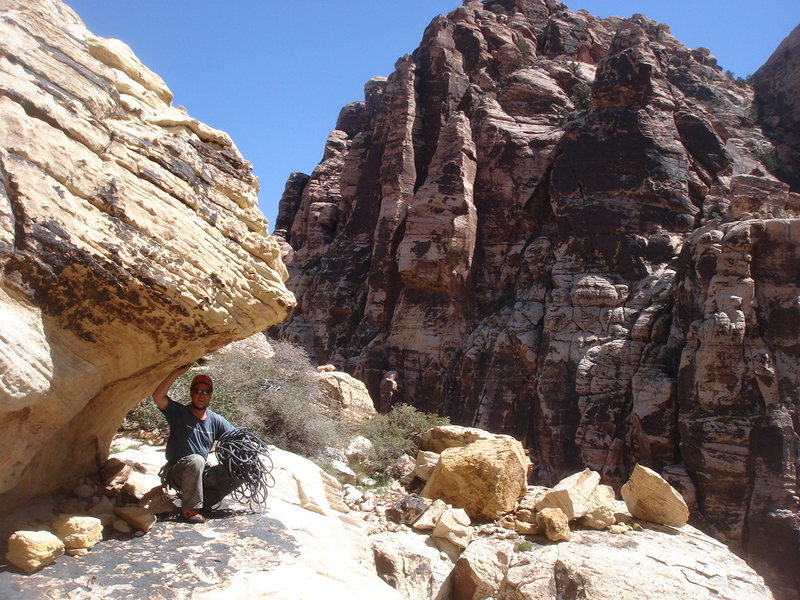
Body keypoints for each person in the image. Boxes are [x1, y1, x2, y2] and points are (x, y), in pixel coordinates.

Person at [152, 364, 238, 523]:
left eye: (206, 392)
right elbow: (158, 396)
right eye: (198, 391)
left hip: (201, 473)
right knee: (197, 459)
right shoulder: (179, 413)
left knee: (240, 469)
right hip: (178, 471)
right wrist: (176, 372)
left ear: (210, 396)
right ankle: (189, 510)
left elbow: (236, 435)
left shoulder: (215, 420)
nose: (202, 395)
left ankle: (204, 503)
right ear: (191, 393)